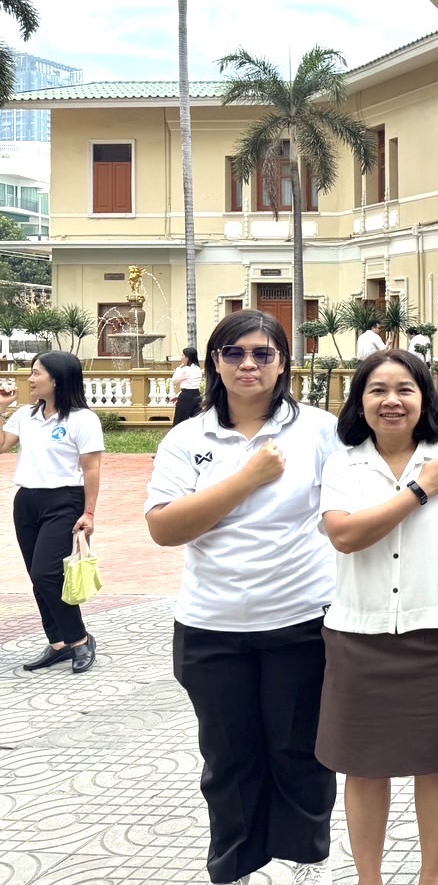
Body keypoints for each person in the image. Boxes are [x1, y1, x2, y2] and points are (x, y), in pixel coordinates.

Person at [144, 310, 341, 885]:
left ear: (283, 363)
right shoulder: (187, 438)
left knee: (299, 751)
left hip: (301, 620)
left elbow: (353, 508)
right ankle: (236, 866)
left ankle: (306, 862)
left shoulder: (320, 431)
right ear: (215, 362)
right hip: (211, 626)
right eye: (234, 353)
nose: (248, 364)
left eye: (262, 353)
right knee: (228, 759)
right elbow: (165, 528)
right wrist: (247, 478)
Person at [316, 348, 438, 885]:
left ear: (424, 398)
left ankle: (430, 875)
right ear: (360, 401)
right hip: (359, 634)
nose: (391, 401)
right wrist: (419, 491)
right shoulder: (343, 464)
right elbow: (345, 535)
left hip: (434, 631)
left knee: (437, 762)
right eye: (378, 390)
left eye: (404, 390)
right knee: (364, 767)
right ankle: (369, 878)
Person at [1, 351, 104, 675]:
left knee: (48, 574)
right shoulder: (25, 415)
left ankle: (79, 640)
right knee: (37, 576)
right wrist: (1, 408)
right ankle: (58, 642)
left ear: (57, 379)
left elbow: (92, 469)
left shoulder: (82, 420)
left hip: (64, 500)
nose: (30, 378)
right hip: (27, 502)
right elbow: (2, 445)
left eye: (36, 373)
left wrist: (89, 513)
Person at [172, 346, 204, 427]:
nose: (181, 357)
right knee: (196, 420)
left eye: (183, 355)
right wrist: (178, 395)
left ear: (187, 357)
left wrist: (178, 368)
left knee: (180, 420)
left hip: (186, 397)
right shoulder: (198, 369)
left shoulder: (185, 370)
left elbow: (174, 380)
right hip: (197, 395)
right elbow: (191, 385)